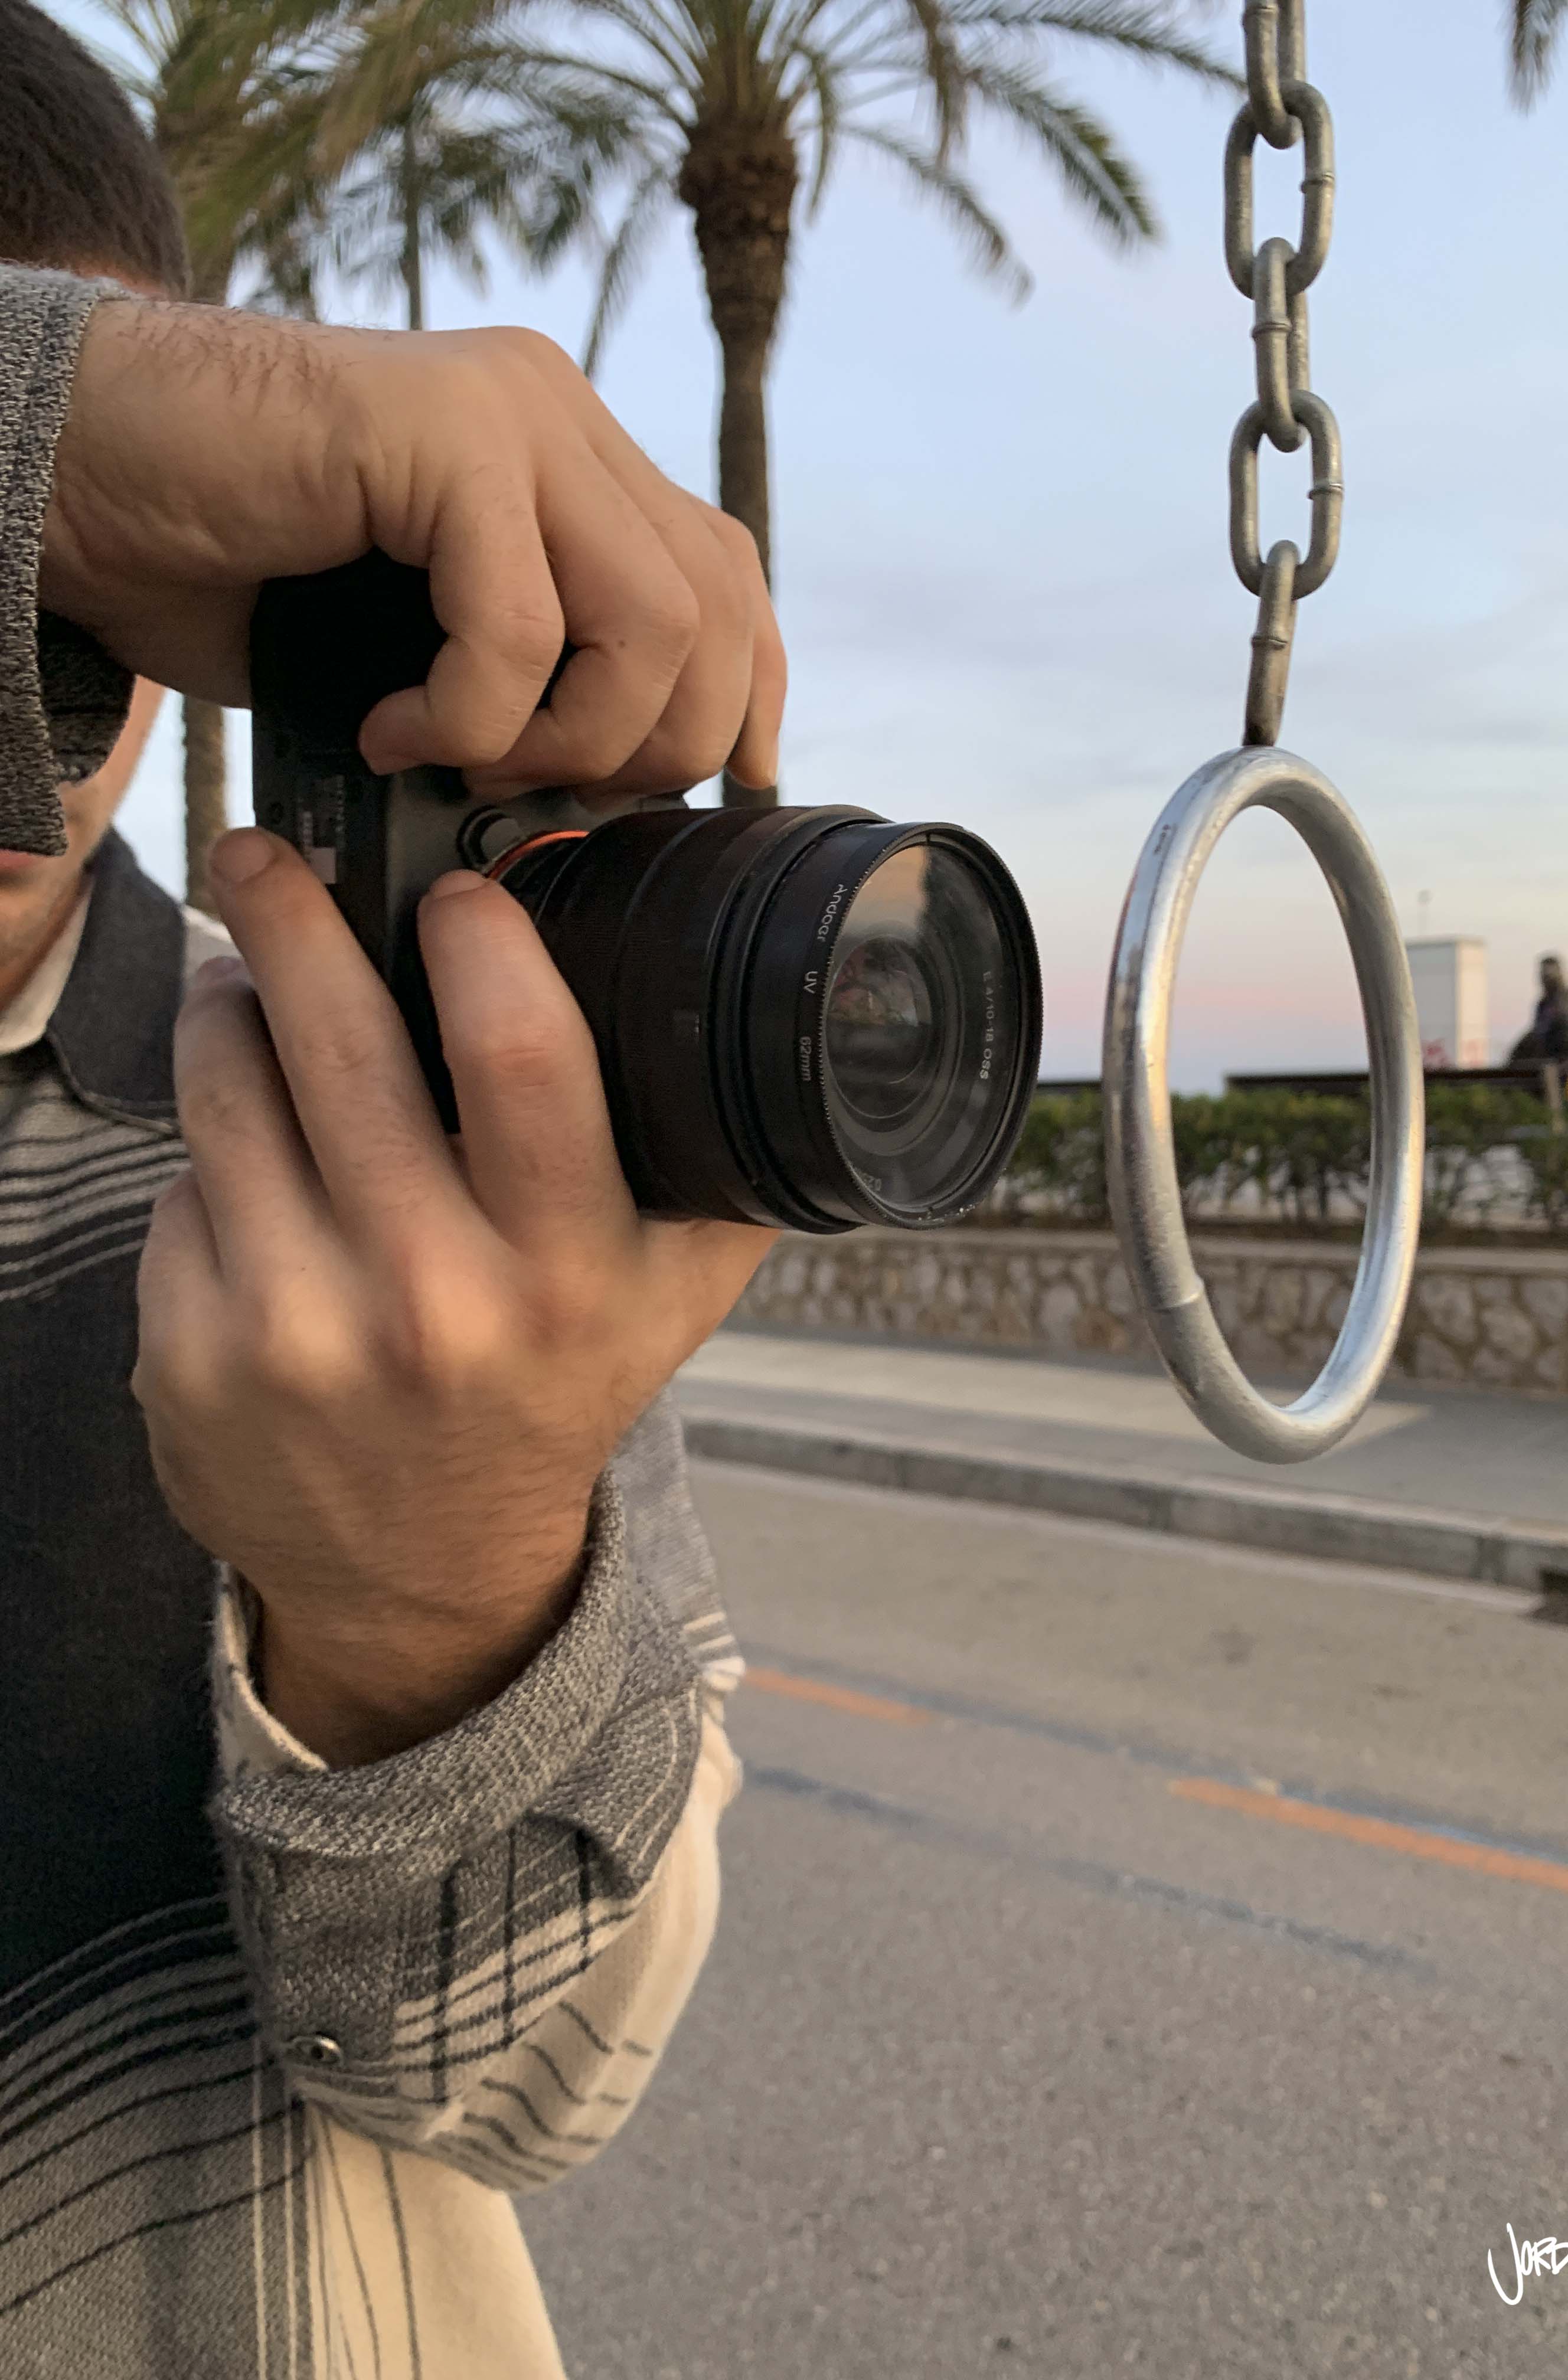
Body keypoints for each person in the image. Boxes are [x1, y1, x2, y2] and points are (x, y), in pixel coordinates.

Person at [0, 6, 785, 2372]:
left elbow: (539, 2085)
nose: (25, 737)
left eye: (67, 625)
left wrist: (442, 1625)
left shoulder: (377, 1160)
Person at [1508, 952, 1568, 1097]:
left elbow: (1553, 1030)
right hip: (1550, 1058)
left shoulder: (1563, 999)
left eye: (1548, 974)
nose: (1544, 978)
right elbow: (1539, 1030)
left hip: (1560, 1057)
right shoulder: (1545, 1002)